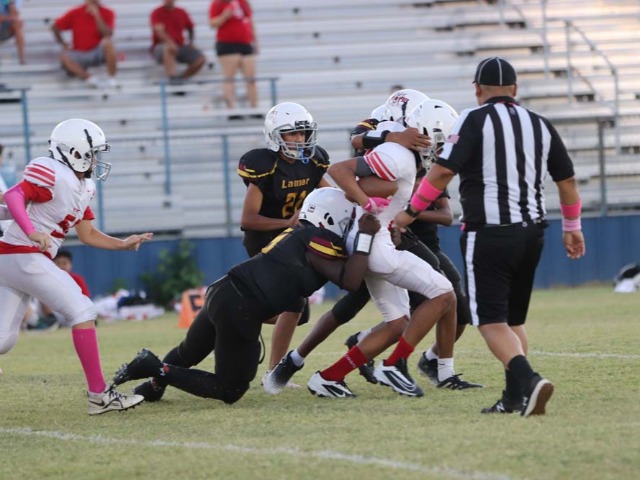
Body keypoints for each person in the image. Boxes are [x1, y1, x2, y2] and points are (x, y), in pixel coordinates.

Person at [394, 57, 586, 417]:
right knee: (513, 322)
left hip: (489, 232)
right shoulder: (539, 123)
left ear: (477, 89)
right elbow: (567, 181)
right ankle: (513, 398)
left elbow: (441, 174)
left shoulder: (473, 119)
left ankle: (529, 381)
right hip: (533, 232)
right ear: (515, 89)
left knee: (492, 322)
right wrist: (572, 227)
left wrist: (409, 213)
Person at [265, 99, 479, 397]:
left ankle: (328, 377)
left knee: (397, 324)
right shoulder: (398, 155)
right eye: (441, 144)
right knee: (443, 293)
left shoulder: (405, 155)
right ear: (426, 134)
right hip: (377, 247)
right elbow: (341, 171)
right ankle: (395, 365)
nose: (444, 152)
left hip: (374, 242)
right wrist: (368, 204)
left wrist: (390, 212)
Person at [111, 188, 381, 405]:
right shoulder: (318, 239)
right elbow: (350, 281)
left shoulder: (300, 234)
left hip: (224, 290)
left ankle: (153, 387)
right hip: (241, 305)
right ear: (332, 219)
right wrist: (366, 237)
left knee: (188, 352)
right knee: (231, 388)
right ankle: (154, 368)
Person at [0, 118, 153, 415]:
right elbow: (14, 195)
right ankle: (99, 396)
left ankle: (99, 396)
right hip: (21, 252)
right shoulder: (53, 172)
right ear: (75, 152)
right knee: (82, 310)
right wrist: (31, 231)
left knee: (3, 340)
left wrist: (122, 243)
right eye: (93, 153)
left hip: (13, 259)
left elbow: (87, 233)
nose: (96, 159)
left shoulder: (82, 186)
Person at [237, 102, 331, 383]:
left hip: (292, 239)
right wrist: (286, 223)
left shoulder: (313, 163)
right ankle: (275, 373)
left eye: (303, 133)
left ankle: (238, 313)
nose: (299, 139)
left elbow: (331, 197)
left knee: (299, 313)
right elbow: (248, 220)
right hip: (265, 240)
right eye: (292, 134)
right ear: (275, 135)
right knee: (293, 305)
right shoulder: (265, 165)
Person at [51, 0, 119, 89]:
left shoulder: (108, 13)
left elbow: (107, 34)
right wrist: (63, 43)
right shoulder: (75, 12)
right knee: (64, 57)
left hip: (97, 52)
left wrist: (97, 16)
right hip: (79, 53)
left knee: (109, 44)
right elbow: (55, 27)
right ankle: (90, 79)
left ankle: (112, 79)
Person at [209, 0, 259, 119]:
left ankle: (255, 108)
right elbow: (213, 23)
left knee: (251, 78)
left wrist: (255, 41)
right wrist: (224, 16)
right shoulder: (218, 3)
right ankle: (232, 110)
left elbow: (249, 21)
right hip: (227, 43)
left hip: (245, 43)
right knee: (229, 78)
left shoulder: (242, 2)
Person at [150, 0, 206, 85]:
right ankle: (172, 78)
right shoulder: (157, 13)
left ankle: (182, 78)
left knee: (201, 59)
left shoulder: (181, 12)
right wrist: (170, 42)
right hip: (161, 48)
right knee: (169, 48)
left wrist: (191, 42)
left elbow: (190, 27)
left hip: (179, 46)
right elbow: (159, 31)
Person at [38, 249, 91, 328]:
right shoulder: (48, 279)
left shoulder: (77, 279)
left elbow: (86, 298)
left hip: (73, 312)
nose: (62, 266)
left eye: (65, 263)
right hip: (54, 313)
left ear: (71, 264)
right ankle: (51, 321)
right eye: (58, 263)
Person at [0, 0, 25, 65]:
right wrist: (8, 18)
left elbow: (16, 15)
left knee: (17, 24)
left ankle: (22, 59)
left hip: (7, 26)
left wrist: (11, 3)